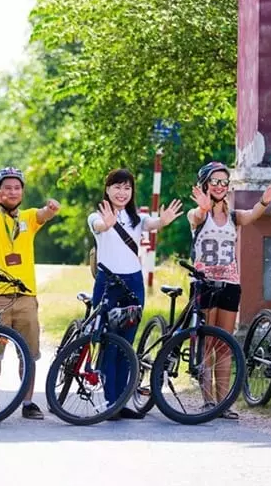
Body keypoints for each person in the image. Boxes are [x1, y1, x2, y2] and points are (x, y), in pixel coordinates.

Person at [188, 161, 271, 419]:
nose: (220, 186)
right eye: (214, 181)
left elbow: (252, 215)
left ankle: (224, 403)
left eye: (224, 182)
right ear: (205, 184)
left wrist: (265, 200)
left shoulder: (233, 216)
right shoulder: (198, 214)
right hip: (205, 283)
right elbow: (196, 217)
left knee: (224, 344)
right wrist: (203, 207)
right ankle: (208, 400)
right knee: (207, 343)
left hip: (230, 283)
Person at [88, 168, 183, 420]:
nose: (122, 192)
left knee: (126, 345)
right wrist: (107, 224)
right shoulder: (96, 216)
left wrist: (163, 221)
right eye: (117, 187)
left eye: (127, 188)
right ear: (107, 189)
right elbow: (99, 226)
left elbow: (153, 224)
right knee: (109, 343)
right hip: (108, 282)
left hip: (133, 283)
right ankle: (110, 402)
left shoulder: (137, 219)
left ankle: (122, 401)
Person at [0, 166, 60, 419]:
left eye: (17, 188)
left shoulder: (28, 217)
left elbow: (43, 215)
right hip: (0, 296)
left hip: (26, 296)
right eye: (7, 188)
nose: (13, 192)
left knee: (28, 353)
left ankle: (28, 402)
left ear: (22, 192)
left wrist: (51, 209)